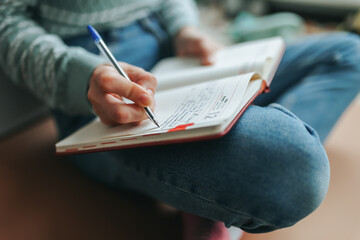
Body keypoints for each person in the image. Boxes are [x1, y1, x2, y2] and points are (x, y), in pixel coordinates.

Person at [1, 0, 360, 239]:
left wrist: (184, 28)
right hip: (100, 84)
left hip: (175, 51)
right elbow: (6, 22)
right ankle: (227, 174)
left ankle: (217, 187)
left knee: (349, 52)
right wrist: (82, 79)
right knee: (296, 171)